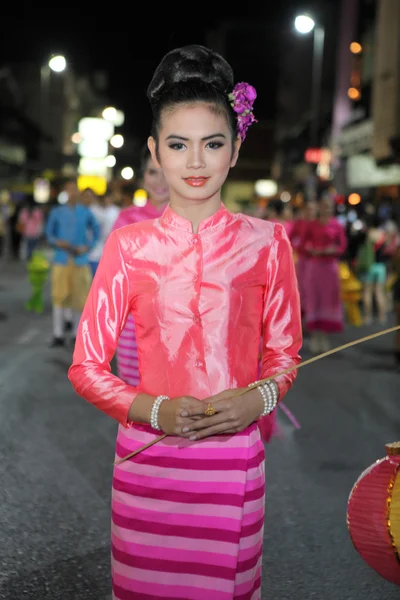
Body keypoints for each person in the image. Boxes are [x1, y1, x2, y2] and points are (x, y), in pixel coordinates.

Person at [68, 44, 302, 599]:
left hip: (233, 462)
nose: (195, 162)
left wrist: (257, 401)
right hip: (149, 458)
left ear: (236, 148)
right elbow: (85, 367)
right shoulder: (128, 246)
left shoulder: (269, 243)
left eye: (212, 144)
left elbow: (285, 356)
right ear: (155, 150)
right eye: (178, 145)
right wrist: (155, 409)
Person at [112, 143, 169, 387]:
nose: (159, 181)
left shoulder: (191, 219)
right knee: (136, 403)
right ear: (143, 176)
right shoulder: (126, 218)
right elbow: (114, 276)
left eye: (166, 172)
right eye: (152, 172)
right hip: (133, 327)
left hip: (178, 329)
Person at [45, 179, 100, 347]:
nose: (72, 193)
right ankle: (58, 334)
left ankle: (77, 334)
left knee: (80, 298)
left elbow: (96, 232)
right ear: (65, 192)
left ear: (78, 193)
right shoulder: (57, 212)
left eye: (74, 190)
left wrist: (87, 247)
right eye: (68, 190)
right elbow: (49, 233)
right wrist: (57, 242)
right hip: (61, 259)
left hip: (79, 260)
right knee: (59, 296)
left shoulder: (85, 212)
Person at [302, 196, 347, 353]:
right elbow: (303, 243)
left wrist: (332, 250)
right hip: (314, 267)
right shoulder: (312, 225)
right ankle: (315, 337)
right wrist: (312, 249)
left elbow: (342, 246)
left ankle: (325, 337)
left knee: (329, 299)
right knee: (314, 298)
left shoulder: (337, 225)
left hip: (330, 267)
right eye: (323, 206)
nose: (326, 209)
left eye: (329, 206)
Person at [87, 191, 120, 277]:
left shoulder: (116, 211)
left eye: (109, 199)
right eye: (105, 199)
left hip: (111, 246)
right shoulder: (93, 210)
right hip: (94, 246)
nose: (107, 201)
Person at [17, 194, 44, 260]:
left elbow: (21, 222)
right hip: (35, 233)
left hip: (27, 233)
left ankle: (29, 258)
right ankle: (32, 258)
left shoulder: (24, 211)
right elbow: (40, 222)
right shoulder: (37, 211)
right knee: (34, 247)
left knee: (28, 246)